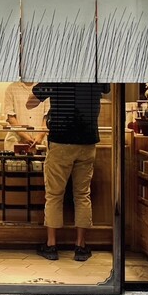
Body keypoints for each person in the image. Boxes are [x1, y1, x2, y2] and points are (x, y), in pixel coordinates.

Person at [27, 82, 111, 261]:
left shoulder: (57, 74)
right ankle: (80, 246)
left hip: (61, 142)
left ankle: (51, 245)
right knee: (82, 194)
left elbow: (30, 103)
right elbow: (106, 90)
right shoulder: (94, 74)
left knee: (54, 194)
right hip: (87, 142)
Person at [3, 81, 49, 152]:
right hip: (17, 140)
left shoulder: (44, 88)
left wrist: (40, 135)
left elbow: (47, 115)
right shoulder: (11, 88)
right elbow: (10, 116)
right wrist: (23, 135)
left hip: (40, 141)